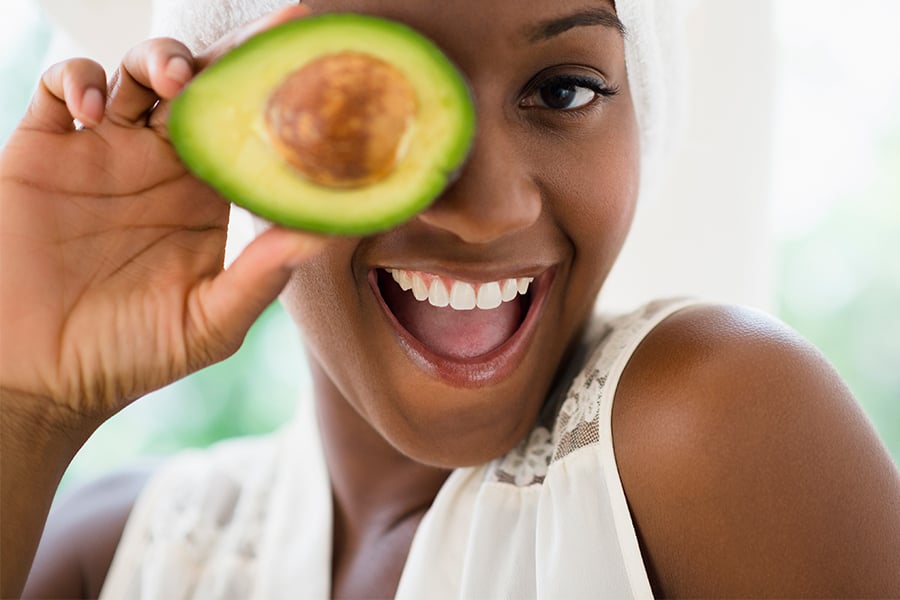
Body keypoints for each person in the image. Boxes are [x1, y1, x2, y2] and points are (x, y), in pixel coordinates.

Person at [2, 1, 898, 598]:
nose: (491, 210)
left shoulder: (716, 425)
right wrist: (25, 409)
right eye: (369, 103)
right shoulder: (122, 551)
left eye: (564, 89)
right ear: (234, 139)